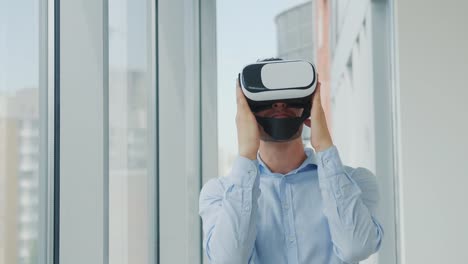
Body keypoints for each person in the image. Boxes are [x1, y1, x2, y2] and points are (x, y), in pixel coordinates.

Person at [199, 63, 384, 264]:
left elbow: (356, 248)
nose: (279, 105)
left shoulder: (356, 182)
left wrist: (324, 147)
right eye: (268, 99)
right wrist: (246, 154)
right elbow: (229, 259)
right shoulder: (218, 193)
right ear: (247, 109)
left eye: (288, 97)